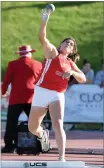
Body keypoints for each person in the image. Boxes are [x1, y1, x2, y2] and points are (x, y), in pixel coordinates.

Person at [28, 6, 86, 161]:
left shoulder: (70, 63)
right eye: (66, 42)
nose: (69, 44)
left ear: (72, 50)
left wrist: (73, 73)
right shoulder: (53, 53)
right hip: (41, 91)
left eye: (72, 44)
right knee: (32, 128)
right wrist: (44, 19)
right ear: (60, 46)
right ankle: (42, 134)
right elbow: (42, 37)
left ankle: (61, 157)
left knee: (58, 123)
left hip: (57, 94)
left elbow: (83, 78)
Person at [1, 45, 42, 153]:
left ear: (20, 54)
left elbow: (6, 80)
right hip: (32, 97)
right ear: (30, 53)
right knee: (36, 122)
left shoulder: (12, 64)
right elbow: (42, 82)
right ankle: (40, 144)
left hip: (16, 98)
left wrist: (3, 91)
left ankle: (9, 146)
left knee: (11, 122)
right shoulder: (38, 64)